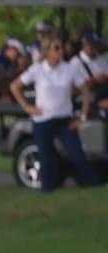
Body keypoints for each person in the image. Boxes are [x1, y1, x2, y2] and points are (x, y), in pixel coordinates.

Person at [10, 39, 100, 191]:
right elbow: (14, 86)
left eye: (61, 48)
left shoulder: (69, 69)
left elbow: (85, 92)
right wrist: (27, 107)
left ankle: (92, 185)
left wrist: (82, 117)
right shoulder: (37, 70)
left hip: (64, 120)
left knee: (77, 154)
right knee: (47, 157)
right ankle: (48, 189)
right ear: (47, 52)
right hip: (43, 121)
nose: (61, 51)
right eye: (56, 48)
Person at [73, 31, 108, 114]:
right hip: (85, 97)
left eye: (96, 46)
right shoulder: (75, 63)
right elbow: (74, 90)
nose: (95, 49)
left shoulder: (102, 60)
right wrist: (94, 80)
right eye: (92, 46)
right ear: (84, 45)